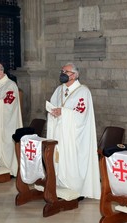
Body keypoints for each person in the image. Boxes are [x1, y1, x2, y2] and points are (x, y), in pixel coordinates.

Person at [46, 62, 101, 200]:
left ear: (75, 75)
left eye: (66, 72)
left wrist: (63, 112)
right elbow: (53, 105)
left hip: (75, 136)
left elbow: (81, 114)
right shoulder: (59, 89)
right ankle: (59, 184)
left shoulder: (83, 91)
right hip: (60, 132)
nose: (62, 74)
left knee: (74, 160)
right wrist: (53, 112)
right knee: (59, 158)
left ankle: (77, 189)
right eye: (62, 71)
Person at [0, 62, 23, 176]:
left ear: (1, 72)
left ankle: (9, 168)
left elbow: (9, 102)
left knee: (7, 143)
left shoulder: (10, 84)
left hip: (7, 123)